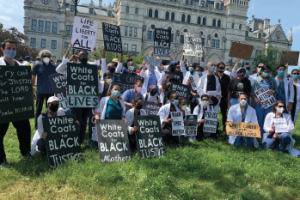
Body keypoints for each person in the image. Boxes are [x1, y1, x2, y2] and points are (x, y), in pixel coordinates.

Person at [56, 48, 102, 144]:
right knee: (74, 120)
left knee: (84, 121)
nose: (83, 56)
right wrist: (69, 59)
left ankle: (80, 140)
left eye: (85, 54)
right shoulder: (73, 66)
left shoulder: (92, 67)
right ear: (77, 56)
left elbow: (97, 82)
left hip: (88, 98)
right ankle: (73, 141)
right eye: (81, 54)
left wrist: (98, 92)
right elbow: (58, 69)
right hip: (74, 98)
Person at [0, 40, 32, 167]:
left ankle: (25, 152)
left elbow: (25, 85)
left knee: (25, 129)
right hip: (3, 106)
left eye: (14, 48)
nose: (12, 50)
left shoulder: (21, 66)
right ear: (3, 49)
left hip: (19, 106)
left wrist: (30, 89)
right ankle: (1, 159)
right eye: (9, 48)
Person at [32, 49, 57, 129]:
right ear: (41, 57)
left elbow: (56, 78)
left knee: (50, 109)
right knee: (38, 109)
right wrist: (32, 86)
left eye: (48, 56)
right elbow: (33, 76)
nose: (46, 57)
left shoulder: (54, 67)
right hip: (40, 90)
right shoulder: (37, 65)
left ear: (50, 57)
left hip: (50, 91)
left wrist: (56, 91)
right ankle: (37, 126)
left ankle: (48, 124)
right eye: (44, 56)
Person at [251, 65, 278, 139]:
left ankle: (266, 136)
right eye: (265, 72)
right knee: (258, 118)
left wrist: (274, 91)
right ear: (261, 71)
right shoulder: (256, 80)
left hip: (269, 103)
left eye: (268, 72)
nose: (267, 73)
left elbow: (276, 90)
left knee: (268, 119)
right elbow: (251, 92)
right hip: (259, 103)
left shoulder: (272, 80)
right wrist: (255, 99)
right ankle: (257, 136)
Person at [215, 62, 231, 131]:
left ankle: (224, 128)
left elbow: (229, 89)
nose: (221, 68)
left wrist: (228, 100)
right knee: (214, 113)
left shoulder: (227, 77)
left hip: (224, 98)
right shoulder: (214, 76)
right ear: (217, 67)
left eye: (223, 67)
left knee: (224, 113)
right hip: (215, 98)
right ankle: (215, 128)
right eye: (220, 67)